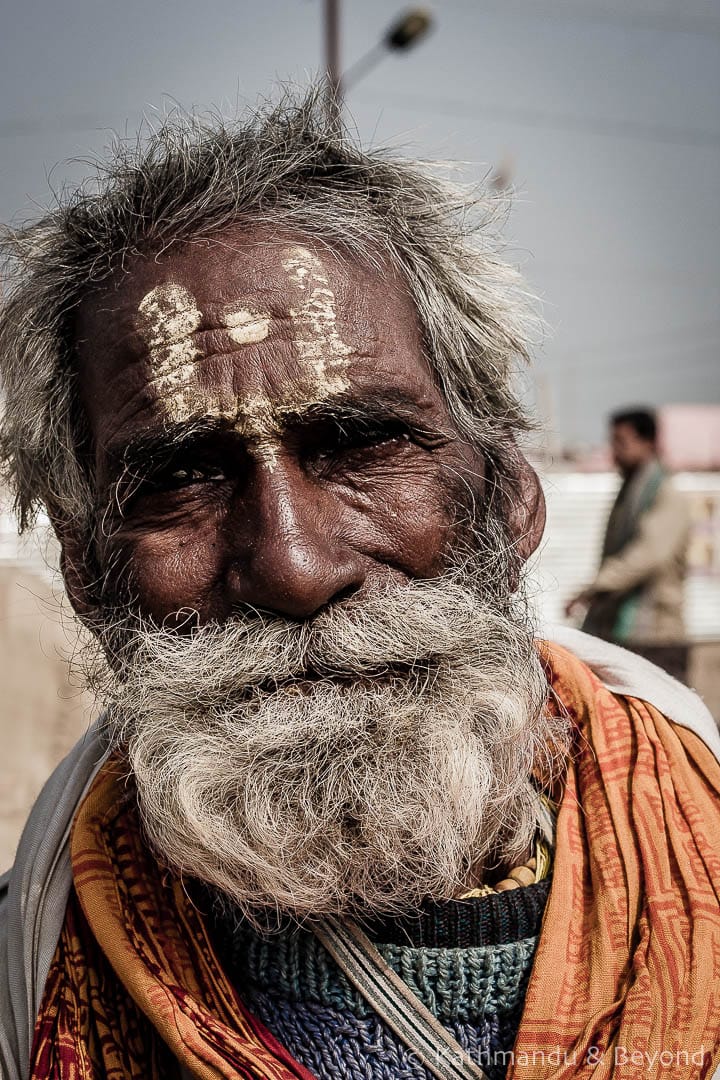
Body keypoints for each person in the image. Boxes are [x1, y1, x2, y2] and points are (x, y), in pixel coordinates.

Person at [1, 93, 719, 1080]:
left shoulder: (697, 833)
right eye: (183, 478)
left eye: (357, 444)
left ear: (511, 501)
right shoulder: (39, 948)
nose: (294, 568)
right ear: (86, 571)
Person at [565, 408, 691, 681]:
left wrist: (594, 587)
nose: (614, 451)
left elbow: (647, 556)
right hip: (626, 634)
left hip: (656, 637)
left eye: (621, 442)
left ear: (648, 442)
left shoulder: (666, 496)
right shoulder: (630, 492)